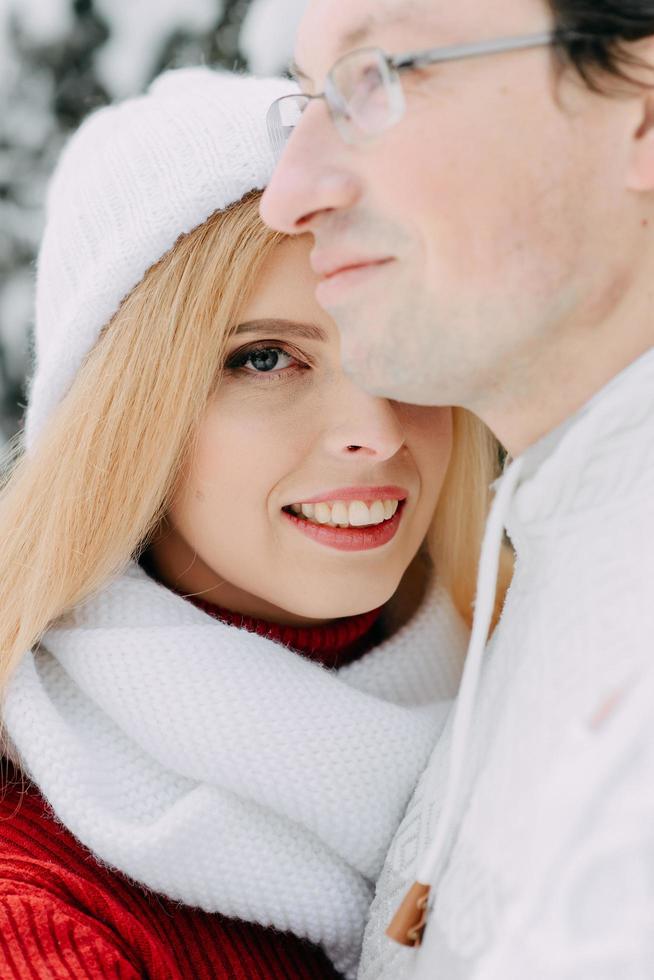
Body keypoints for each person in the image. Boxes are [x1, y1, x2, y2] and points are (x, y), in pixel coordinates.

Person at [0, 67, 507, 979]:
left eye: (403, 337)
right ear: (126, 415)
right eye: (265, 357)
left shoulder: (549, 681)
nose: (376, 430)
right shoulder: (37, 909)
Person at [260, 1, 654, 978]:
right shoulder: (550, 568)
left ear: (642, 109)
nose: (288, 193)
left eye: (378, 75)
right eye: (307, 101)